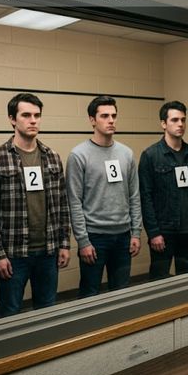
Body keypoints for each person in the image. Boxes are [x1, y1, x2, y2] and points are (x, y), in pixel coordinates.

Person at [0, 93, 70, 318]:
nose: (33, 121)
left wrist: (64, 244)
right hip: (14, 255)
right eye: (26, 115)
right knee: (10, 313)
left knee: (47, 311)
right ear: (12, 119)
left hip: (48, 251)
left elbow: (62, 204)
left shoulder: (52, 157)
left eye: (37, 116)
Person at [66, 96, 142, 296]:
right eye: (105, 116)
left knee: (121, 293)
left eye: (114, 116)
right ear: (92, 120)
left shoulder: (126, 153)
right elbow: (74, 201)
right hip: (95, 237)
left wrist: (136, 232)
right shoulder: (79, 155)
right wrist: (83, 241)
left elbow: (134, 196)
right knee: (89, 294)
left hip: (123, 236)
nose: (111, 120)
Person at [138, 101, 188, 280]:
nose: (180, 124)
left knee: (186, 279)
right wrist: (153, 233)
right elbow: (145, 197)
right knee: (159, 279)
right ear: (163, 123)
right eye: (175, 120)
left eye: (183, 120)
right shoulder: (150, 155)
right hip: (164, 231)